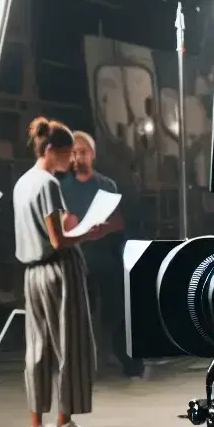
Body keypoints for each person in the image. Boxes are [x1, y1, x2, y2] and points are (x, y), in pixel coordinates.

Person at [13, 116, 108, 427]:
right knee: (71, 345)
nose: (72, 160)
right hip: (58, 272)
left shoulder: (23, 182)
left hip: (32, 275)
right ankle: (65, 424)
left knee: (37, 349)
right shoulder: (48, 184)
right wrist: (87, 232)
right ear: (52, 150)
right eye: (68, 154)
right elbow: (58, 239)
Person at [59, 130, 141, 378]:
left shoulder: (107, 185)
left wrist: (104, 228)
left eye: (82, 152)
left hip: (105, 255)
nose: (77, 157)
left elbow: (119, 222)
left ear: (92, 155)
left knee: (117, 309)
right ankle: (77, 363)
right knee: (76, 314)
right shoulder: (63, 188)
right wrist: (78, 228)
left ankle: (128, 360)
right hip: (77, 256)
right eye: (73, 153)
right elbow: (63, 225)